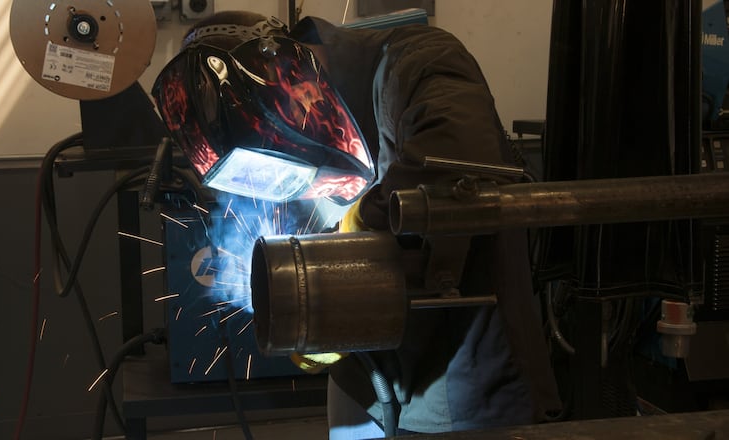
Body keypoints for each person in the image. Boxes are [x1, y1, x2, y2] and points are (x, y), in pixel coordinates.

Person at [152, 10, 561, 438]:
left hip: (461, 385)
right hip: (364, 381)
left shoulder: (422, 63)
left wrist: (359, 228)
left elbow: (453, 176)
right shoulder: (289, 139)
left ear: (288, 76)